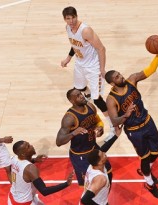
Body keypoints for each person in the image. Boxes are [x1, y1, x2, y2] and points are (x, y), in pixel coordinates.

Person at [104, 50, 158, 199]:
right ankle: (149, 183)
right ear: (112, 83)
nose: (121, 76)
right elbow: (114, 121)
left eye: (119, 73)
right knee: (144, 158)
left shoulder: (132, 80)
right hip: (134, 131)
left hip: (147, 122)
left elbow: (150, 70)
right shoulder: (111, 100)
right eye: (117, 77)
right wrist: (126, 114)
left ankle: (146, 170)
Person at [61, 6, 114, 141]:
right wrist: (68, 58)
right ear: (65, 19)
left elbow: (101, 48)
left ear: (76, 16)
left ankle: (113, 126)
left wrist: (102, 69)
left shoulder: (86, 30)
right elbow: (75, 45)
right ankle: (90, 94)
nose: (71, 21)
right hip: (80, 64)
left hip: (93, 67)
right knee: (79, 89)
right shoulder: (68, 28)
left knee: (97, 99)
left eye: (73, 17)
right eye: (68, 18)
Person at [56, 88, 119, 187]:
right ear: (72, 101)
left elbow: (96, 120)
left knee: (109, 172)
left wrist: (100, 127)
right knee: (89, 184)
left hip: (93, 148)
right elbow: (59, 141)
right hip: (80, 155)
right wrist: (73, 133)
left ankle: (104, 198)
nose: (81, 96)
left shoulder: (90, 106)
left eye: (80, 93)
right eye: (77, 96)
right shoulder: (69, 118)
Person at [8, 140, 73, 205]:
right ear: (23, 154)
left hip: (12, 197)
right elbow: (44, 191)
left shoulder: (14, 158)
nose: (31, 146)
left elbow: (20, 169)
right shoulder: (30, 169)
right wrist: (66, 184)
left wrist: (34, 160)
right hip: (25, 203)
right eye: (28, 146)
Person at [80, 125, 122, 205]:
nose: (104, 153)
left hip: (99, 201)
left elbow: (102, 149)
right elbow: (84, 200)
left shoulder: (93, 165)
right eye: (102, 154)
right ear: (100, 162)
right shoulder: (100, 179)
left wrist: (116, 135)